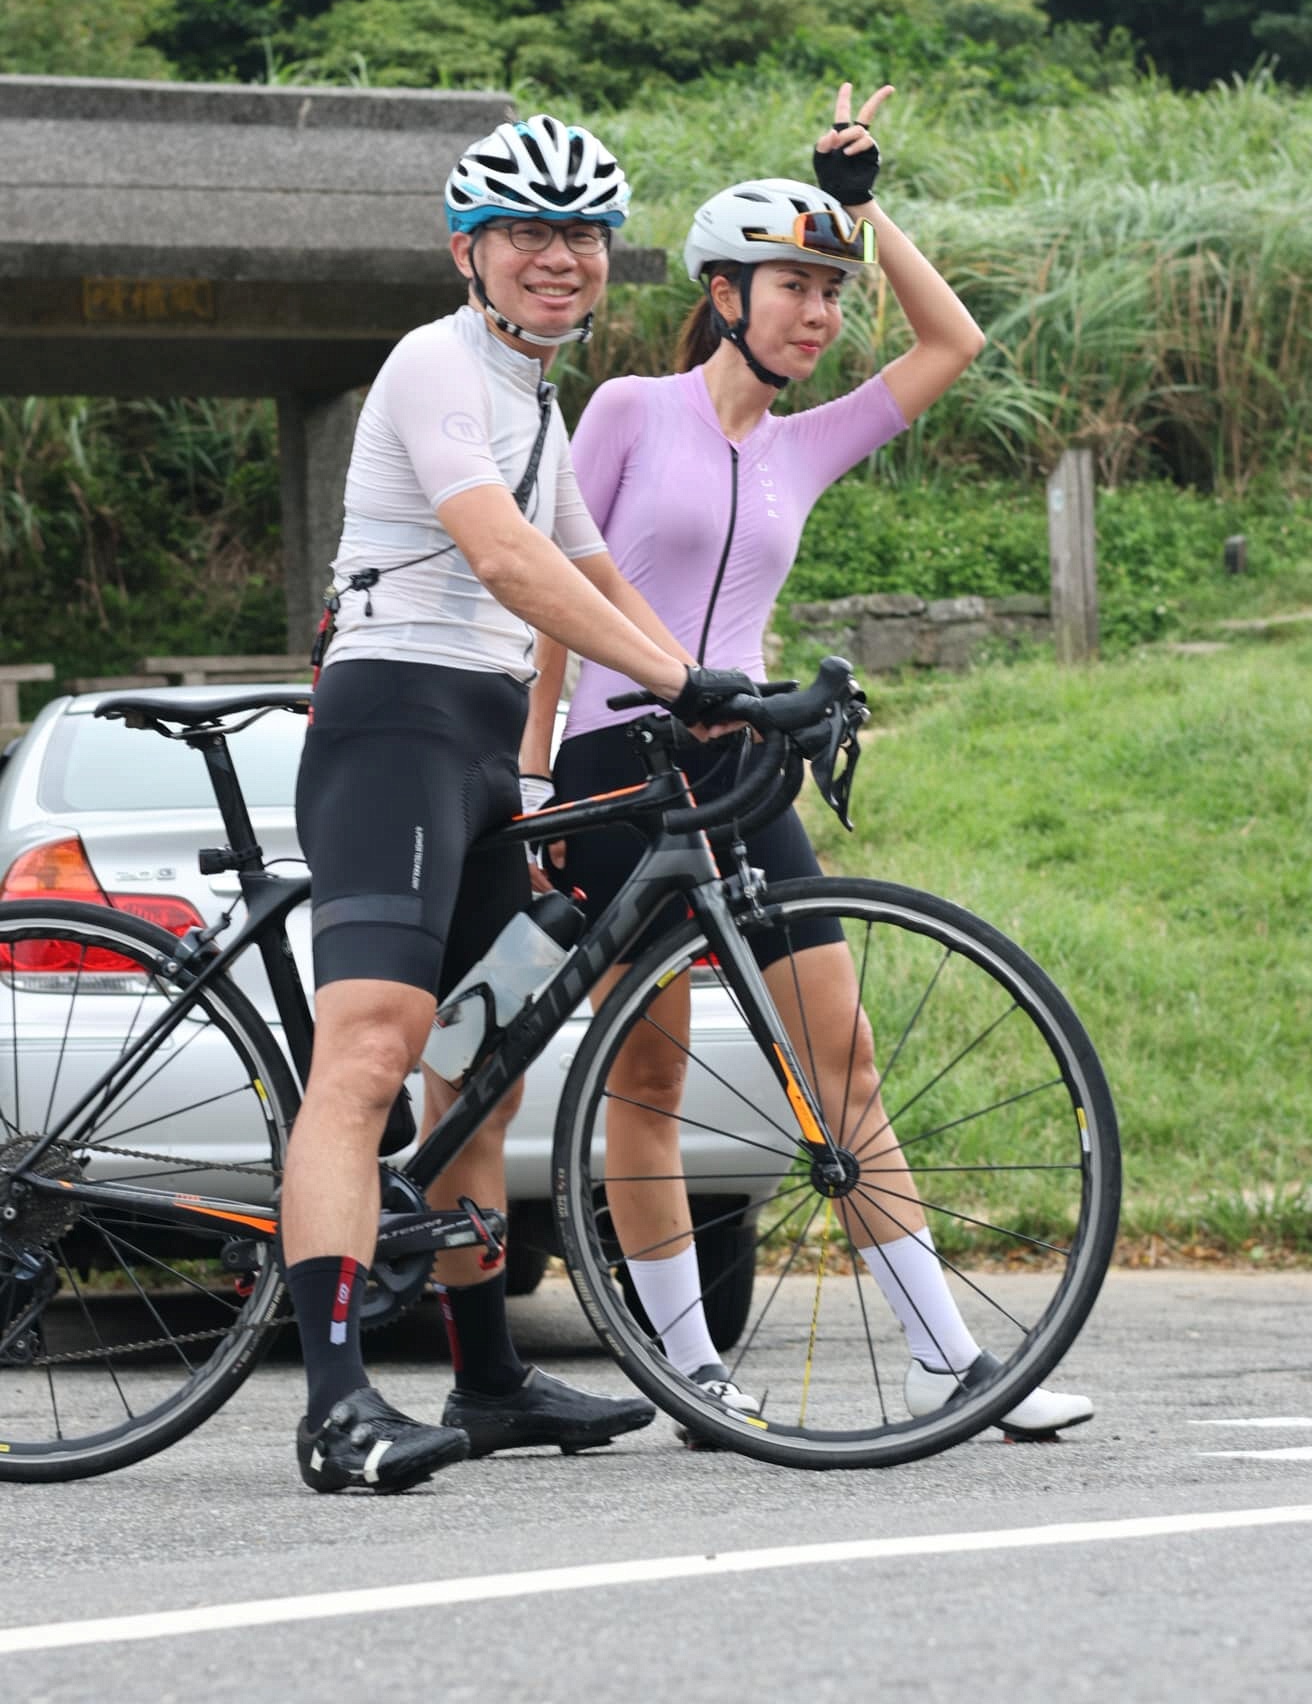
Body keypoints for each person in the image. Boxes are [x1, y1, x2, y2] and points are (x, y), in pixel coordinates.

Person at [525, 83, 1094, 1443]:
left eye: (831, 293)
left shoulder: (805, 443)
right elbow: (551, 588)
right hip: (617, 764)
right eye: (795, 284)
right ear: (724, 293)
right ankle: (690, 1375)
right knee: (647, 1077)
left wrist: (861, 208)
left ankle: (952, 1362)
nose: (819, 312)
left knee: (845, 1067)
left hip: (741, 773)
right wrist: (533, 771)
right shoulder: (627, 409)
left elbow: (953, 342)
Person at [285, 112, 754, 1493]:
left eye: (584, 235)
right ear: (468, 254)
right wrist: (673, 675)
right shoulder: (434, 362)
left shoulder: (535, 397)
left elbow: (591, 568)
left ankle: (486, 1380)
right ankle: (336, 1410)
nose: (560, 258)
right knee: (371, 1053)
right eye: (528, 235)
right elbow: (500, 559)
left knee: (478, 1070)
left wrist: (720, 690)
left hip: (486, 743)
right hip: (394, 722)